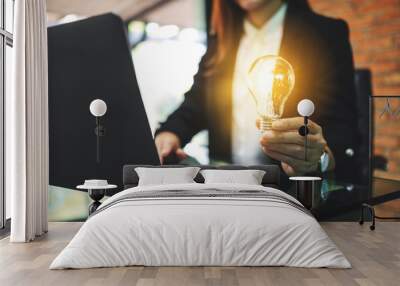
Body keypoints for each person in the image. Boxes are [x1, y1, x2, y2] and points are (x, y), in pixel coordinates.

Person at [155, 0, 358, 181]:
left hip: (292, 197)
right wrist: (169, 133)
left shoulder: (326, 33)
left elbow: (343, 130)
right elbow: (196, 105)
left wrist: (318, 157)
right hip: (227, 189)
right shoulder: (219, 43)